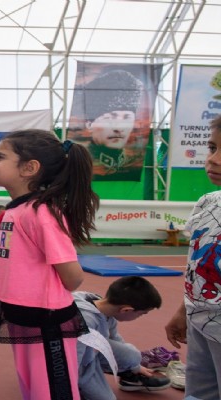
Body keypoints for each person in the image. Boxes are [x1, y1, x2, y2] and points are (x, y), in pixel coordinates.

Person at [0, 129, 100, 400]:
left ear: (29, 168)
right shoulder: (16, 210)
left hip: (47, 321)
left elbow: (72, 277)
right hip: (22, 317)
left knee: (54, 392)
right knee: (33, 389)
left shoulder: (41, 213)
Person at [164, 114, 221, 400]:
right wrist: (184, 309)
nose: (213, 159)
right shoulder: (207, 203)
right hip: (201, 322)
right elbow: (197, 269)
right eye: (212, 148)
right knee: (199, 393)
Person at [74, 276, 170, 399]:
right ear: (126, 310)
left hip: (90, 352)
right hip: (77, 361)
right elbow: (73, 361)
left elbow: (115, 339)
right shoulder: (85, 322)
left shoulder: (102, 305)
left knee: (132, 356)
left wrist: (134, 366)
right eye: (141, 314)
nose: (139, 317)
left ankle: (128, 376)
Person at [69, 70, 146, 179]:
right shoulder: (77, 162)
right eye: (110, 118)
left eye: (126, 118)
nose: (119, 128)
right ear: (89, 124)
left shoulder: (134, 162)